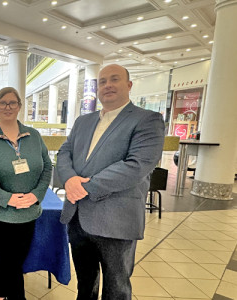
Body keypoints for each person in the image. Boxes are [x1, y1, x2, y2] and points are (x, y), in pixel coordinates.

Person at [56, 64, 165, 300]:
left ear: (129, 85)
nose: (107, 85)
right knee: (85, 283)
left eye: (114, 79)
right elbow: (64, 153)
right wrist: (70, 179)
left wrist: (82, 187)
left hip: (116, 219)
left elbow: (136, 166)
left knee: (116, 288)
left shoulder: (147, 120)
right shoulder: (82, 122)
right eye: (102, 81)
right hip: (78, 217)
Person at [0, 87, 52, 300]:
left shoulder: (34, 136)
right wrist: (6, 198)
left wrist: (36, 195)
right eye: (2, 103)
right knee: (7, 260)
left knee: (13, 260)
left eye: (12, 103)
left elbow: (47, 167)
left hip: (28, 211)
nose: (7, 107)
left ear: (19, 106)